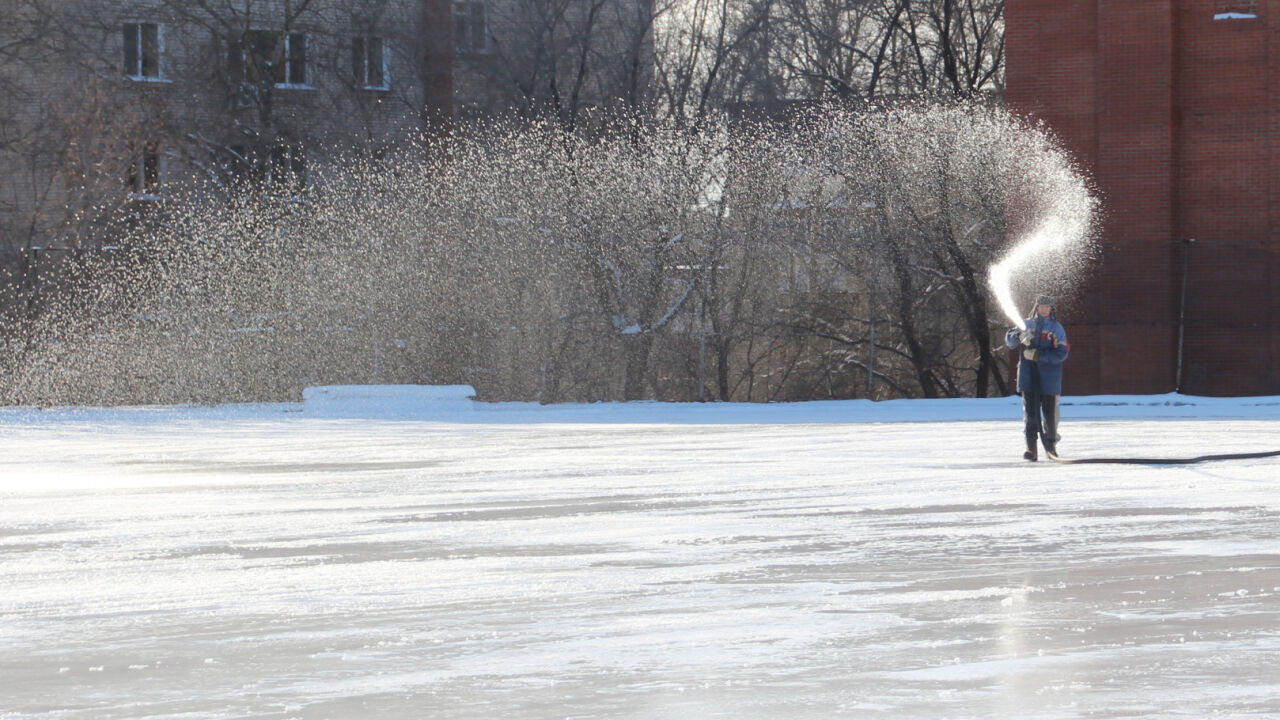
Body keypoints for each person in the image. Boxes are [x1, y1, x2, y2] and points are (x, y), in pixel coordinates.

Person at [1005, 294, 1069, 461]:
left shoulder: (1057, 329)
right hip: (1028, 377)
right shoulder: (1025, 325)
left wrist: (1039, 355)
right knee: (1031, 414)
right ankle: (1031, 448)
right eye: (1041, 306)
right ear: (1036, 307)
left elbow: (1062, 353)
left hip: (1050, 378)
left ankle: (1051, 447)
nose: (1043, 309)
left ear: (1051, 309)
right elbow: (1010, 341)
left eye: (1047, 307)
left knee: (1049, 414)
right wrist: (1017, 336)